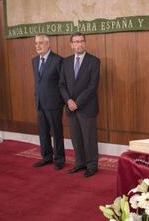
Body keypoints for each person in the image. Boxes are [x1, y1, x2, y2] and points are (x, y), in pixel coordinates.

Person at [59, 32, 100, 177]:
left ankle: (92, 165)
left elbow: (92, 86)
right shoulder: (66, 62)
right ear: (71, 45)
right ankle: (80, 163)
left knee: (89, 138)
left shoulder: (94, 61)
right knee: (76, 138)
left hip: (87, 107)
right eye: (76, 42)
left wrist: (77, 102)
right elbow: (62, 85)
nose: (79, 44)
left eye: (82, 41)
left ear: (85, 43)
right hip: (70, 107)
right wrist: (69, 101)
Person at [31, 34, 65, 170]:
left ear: (48, 44)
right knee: (43, 132)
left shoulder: (58, 60)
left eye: (41, 43)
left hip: (54, 103)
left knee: (56, 133)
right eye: (36, 43)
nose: (38, 46)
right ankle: (46, 157)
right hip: (40, 103)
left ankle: (59, 159)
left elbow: (62, 83)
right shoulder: (34, 61)